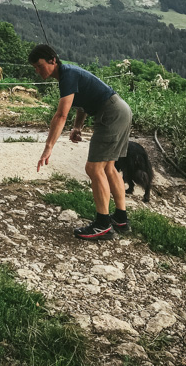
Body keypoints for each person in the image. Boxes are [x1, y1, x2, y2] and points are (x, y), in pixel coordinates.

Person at [28, 44, 132, 240]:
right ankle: (121, 219)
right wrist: (77, 127)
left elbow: (60, 115)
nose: (37, 71)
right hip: (120, 110)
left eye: (39, 66)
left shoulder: (67, 75)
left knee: (94, 169)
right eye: (34, 67)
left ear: (53, 60)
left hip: (111, 114)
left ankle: (102, 225)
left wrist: (48, 148)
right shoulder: (69, 73)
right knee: (109, 167)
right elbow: (83, 103)